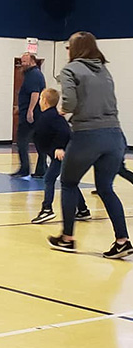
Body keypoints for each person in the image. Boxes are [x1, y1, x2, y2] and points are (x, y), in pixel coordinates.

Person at [48, 32, 133, 259]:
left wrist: (62, 109)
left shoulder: (70, 69)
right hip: (115, 135)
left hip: (88, 135)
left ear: (75, 49)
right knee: (106, 188)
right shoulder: (105, 70)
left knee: (68, 183)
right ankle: (122, 241)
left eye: (68, 47)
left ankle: (67, 238)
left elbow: (71, 102)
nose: (67, 51)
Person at [31, 88, 89, 223]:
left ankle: (47, 209)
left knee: (49, 179)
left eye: (40, 98)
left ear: (44, 101)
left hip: (63, 154)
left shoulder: (51, 117)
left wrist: (60, 148)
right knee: (70, 181)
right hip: (62, 153)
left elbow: (65, 132)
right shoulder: (51, 116)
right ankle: (83, 210)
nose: (39, 101)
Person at [11, 52, 47, 179]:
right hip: (35, 114)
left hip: (31, 115)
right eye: (22, 61)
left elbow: (35, 94)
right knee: (39, 142)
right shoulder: (33, 74)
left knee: (22, 142)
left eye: (25, 61)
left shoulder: (33, 75)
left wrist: (29, 110)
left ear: (32, 61)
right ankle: (41, 170)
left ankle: (25, 169)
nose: (22, 64)